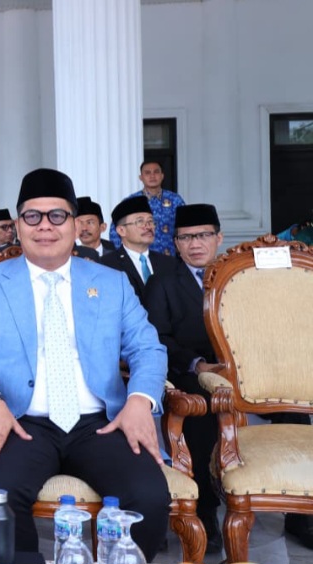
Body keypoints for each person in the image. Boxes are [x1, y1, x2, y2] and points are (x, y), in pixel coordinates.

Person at [0, 168, 171, 560]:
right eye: (33, 216)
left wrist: (139, 401)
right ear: (18, 225)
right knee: (0, 502)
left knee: (149, 495)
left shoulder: (111, 282)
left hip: (100, 423)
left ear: (75, 224)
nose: (45, 226)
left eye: (57, 215)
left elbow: (148, 349)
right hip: (18, 421)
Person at [143, 203, 226, 553]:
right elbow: (157, 336)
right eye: (187, 237)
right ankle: (205, 510)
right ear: (176, 243)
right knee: (198, 407)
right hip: (190, 371)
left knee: (291, 407)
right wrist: (197, 364)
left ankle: (299, 514)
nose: (195, 244)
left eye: (203, 235)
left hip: (240, 371)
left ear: (218, 238)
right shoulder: (163, 283)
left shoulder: (236, 276)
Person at [99, 196, 178, 304]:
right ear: (121, 230)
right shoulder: (107, 265)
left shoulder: (169, 263)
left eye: (150, 221)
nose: (148, 227)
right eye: (140, 222)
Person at [109, 161, 186, 256]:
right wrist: (121, 257)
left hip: (170, 256)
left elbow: (185, 227)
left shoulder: (175, 200)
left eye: (156, 172)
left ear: (162, 176)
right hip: (140, 257)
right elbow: (115, 231)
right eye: (147, 173)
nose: (152, 176)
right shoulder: (131, 201)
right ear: (141, 177)